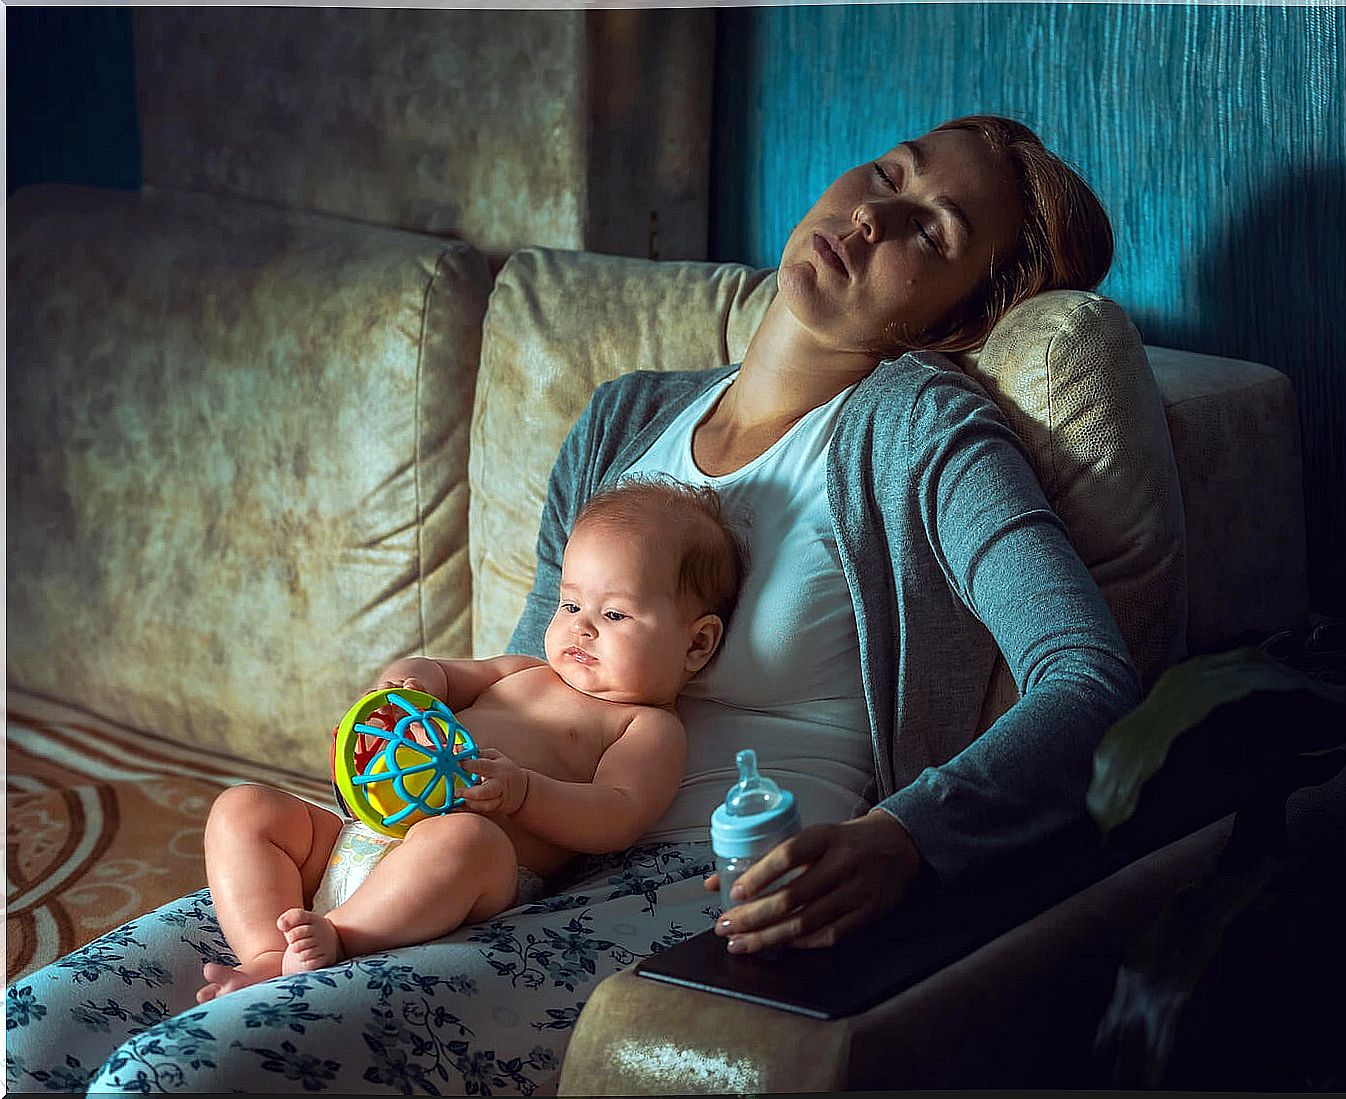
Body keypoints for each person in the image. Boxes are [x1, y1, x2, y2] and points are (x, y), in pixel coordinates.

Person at [6, 115, 1142, 1095]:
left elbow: (1089, 678)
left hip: (694, 891)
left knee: (165, 1077)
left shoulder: (920, 433)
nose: (879, 217)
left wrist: (905, 838)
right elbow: (533, 677)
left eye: (934, 234)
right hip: (498, 841)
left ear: (953, 318)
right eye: (890, 175)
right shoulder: (619, 420)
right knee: (24, 1040)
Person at [197, 477, 746, 1000]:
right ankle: (267, 955)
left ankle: (341, 936)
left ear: (697, 644)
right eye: (571, 604)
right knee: (243, 808)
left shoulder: (645, 726)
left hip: (464, 874)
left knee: (465, 839)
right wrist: (405, 686)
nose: (581, 628)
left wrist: (525, 792)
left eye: (616, 613)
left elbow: (617, 815)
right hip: (360, 835)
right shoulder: (521, 671)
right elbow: (439, 672)